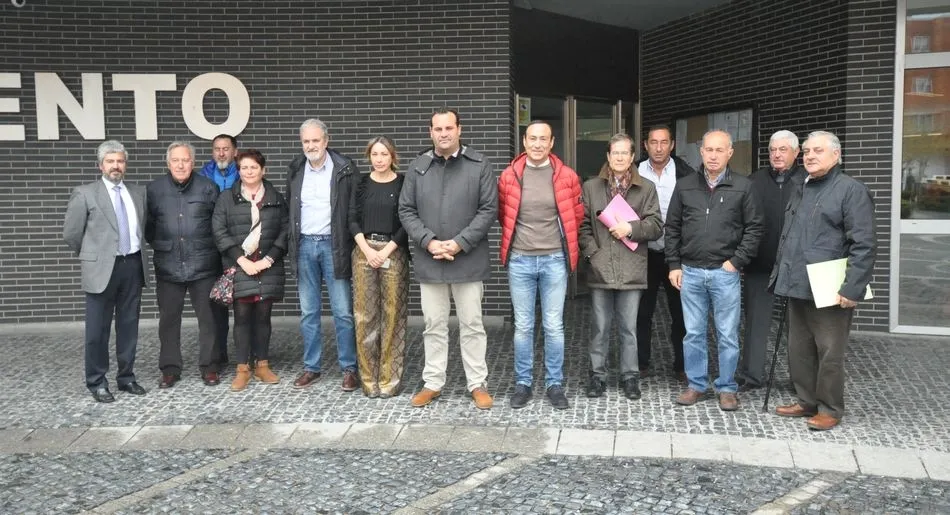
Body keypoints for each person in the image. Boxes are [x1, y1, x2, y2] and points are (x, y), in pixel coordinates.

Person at [771, 130, 875, 431]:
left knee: (829, 351)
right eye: (806, 151)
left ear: (836, 155)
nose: (810, 156)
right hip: (798, 282)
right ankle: (806, 400)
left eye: (818, 150)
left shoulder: (851, 190)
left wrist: (852, 287)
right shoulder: (802, 186)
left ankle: (830, 408)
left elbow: (864, 244)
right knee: (799, 348)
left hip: (830, 286)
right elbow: (791, 237)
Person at [399, 107, 498, 410]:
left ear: (459, 130)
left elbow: (488, 209)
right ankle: (433, 383)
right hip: (431, 261)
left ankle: (477, 383)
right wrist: (429, 242)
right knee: (434, 325)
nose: (443, 133)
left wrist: (459, 243)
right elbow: (406, 210)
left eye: (448, 128)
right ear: (431, 132)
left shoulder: (479, 165)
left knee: (472, 324)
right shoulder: (418, 167)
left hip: (467, 260)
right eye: (438, 129)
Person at [666, 129, 763, 411]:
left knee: (728, 334)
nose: (713, 155)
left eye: (719, 150)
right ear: (701, 152)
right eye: (709, 149)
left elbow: (755, 228)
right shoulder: (684, 185)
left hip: (725, 273)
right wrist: (674, 264)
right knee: (693, 332)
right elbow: (672, 227)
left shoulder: (743, 187)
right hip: (691, 271)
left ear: (730, 153)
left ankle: (727, 387)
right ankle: (696, 384)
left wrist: (736, 261)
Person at [498, 120, 583, 410]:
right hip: (520, 259)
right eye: (532, 138)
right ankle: (523, 383)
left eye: (542, 139)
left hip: (554, 260)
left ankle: (554, 384)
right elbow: (503, 215)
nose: (537, 144)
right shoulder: (509, 176)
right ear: (524, 141)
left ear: (551, 143)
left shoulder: (567, 176)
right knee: (523, 326)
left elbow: (577, 215)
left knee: (553, 326)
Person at [63, 140, 148, 403]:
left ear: (126, 164)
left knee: (128, 326)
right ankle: (97, 381)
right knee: (97, 330)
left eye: (120, 161)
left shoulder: (138, 192)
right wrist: (93, 257)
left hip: (132, 265)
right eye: (110, 161)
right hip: (100, 269)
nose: (115, 165)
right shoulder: (85, 193)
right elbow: (71, 234)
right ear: (101, 165)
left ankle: (126, 377)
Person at [579, 133, 663, 400]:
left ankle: (630, 377)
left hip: (632, 269)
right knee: (600, 327)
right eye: (615, 153)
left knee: (630, 327)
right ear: (608, 156)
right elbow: (581, 226)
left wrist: (631, 228)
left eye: (625, 153)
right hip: (600, 268)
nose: (619, 158)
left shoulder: (646, 188)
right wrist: (594, 254)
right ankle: (597, 376)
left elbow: (657, 225)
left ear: (632, 157)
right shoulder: (591, 187)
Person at [286, 119, 359, 391]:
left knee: (342, 312)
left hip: (334, 245)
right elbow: (291, 211)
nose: (311, 146)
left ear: (326, 141)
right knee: (308, 312)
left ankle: (349, 368)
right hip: (304, 246)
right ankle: (311, 368)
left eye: (315, 141)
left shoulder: (344, 169)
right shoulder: (295, 169)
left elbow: (353, 209)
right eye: (306, 141)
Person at [146, 141, 223, 388]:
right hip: (168, 265)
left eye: (186, 160)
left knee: (209, 319)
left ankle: (210, 366)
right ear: (168, 163)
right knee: (168, 320)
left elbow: (218, 224)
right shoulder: (154, 190)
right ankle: (170, 369)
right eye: (176, 160)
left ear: (193, 162)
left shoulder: (208, 187)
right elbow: (149, 228)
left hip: (204, 265)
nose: (181, 165)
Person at [212, 149, 289, 391]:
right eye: (244, 168)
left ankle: (263, 365)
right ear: (239, 170)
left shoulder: (275, 197)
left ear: (263, 170)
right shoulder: (227, 198)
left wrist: (268, 260)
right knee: (242, 317)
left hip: (268, 266)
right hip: (240, 266)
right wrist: (241, 260)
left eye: (253, 167)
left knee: (264, 317)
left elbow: (285, 231)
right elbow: (219, 231)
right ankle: (242, 368)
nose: (249, 172)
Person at [738, 130, 804, 391]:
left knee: (799, 328)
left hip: (797, 267)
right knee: (755, 323)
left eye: (783, 150)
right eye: (773, 150)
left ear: (796, 153)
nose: (776, 154)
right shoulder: (754, 181)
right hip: (760, 264)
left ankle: (801, 382)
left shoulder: (806, 181)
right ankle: (751, 377)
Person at [348, 136, 410, 398]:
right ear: (369, 156)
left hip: (393, 252)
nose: (380, 159)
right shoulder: (361, 184)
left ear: (392, 156)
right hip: (363, 251)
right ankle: (368, 380)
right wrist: (367, 250)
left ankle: (389, 379)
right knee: (365, 316)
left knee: (393, 316)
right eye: (375, 154)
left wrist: (385, 250)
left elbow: (408, 220)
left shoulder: (404, 182)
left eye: (384, 154)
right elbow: (351, 219)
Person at [636, 125, 694, 381]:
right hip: (642, 253)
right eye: (653, 142)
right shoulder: (634, 171)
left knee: (681, 313)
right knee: (641, 312)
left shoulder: (687, 174)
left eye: (664, 142)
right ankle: (640, 363)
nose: (658, 148)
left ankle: (682, 365)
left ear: (672, 145)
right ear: (645, 145)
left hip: (676, 254)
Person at [199, 133, 240, 367]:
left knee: (244, 304)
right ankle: (219, 354)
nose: (221, 153)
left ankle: (248, 355)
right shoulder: (202, 177)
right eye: (217, 149)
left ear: (234, 151)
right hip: (211, 249)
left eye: (226, 148)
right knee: (216, 304)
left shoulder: (245, 173)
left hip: (238, 248)